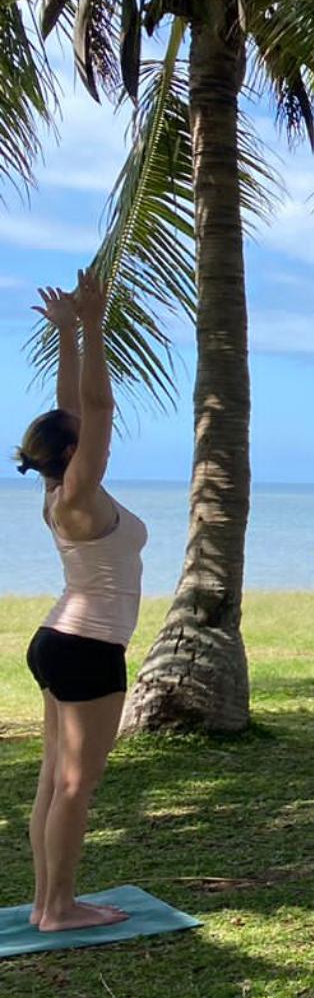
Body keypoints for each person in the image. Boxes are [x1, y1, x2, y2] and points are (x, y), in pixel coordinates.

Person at [16, 271, 146, 933]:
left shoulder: (59, 488)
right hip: (86, 648)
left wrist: (68, 334)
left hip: (60, 642)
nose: (98, 438)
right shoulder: (76, 495)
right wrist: (94, 326)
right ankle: (59, 907)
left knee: (54, 779)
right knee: (75, 783)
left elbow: (75, 408)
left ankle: (48, 903)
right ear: (73, 451)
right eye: (85, 437)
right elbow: (97, 408)